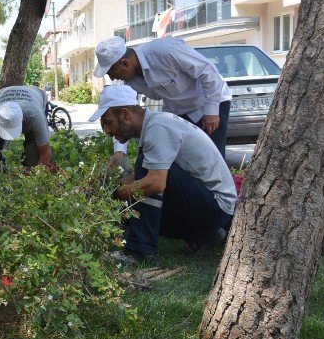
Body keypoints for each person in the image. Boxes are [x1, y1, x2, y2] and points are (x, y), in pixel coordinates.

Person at [93, 84, 237, 267]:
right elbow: (137, 180)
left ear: (125, 114)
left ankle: (141, 250)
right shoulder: (152, 126)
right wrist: (105, 188)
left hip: (216, 206)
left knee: (148, 176)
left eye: (108, 122)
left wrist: (115, 194)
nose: (107, 131)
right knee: (142, 176)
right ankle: (204, 235)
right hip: (210, 205)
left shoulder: (158, 128)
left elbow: (155, 183)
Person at [93, 36, 232, 157]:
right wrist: (120, 151)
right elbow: (121, 114)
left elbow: (207, 71)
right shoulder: (129, 81)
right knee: (182, 160)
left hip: (209, 103)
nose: (112, 77)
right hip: (178, 111)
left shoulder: (164, 51)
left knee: (212, 157)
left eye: (111, 71)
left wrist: (211, 111)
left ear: (124, 63)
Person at [0, 84, 52, 183]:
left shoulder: (35, 116)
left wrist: (36, 182)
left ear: (22, 120)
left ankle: (30, 171)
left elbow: (45, 151)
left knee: (34, 148)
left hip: (36, 96)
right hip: (2, 94)